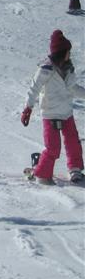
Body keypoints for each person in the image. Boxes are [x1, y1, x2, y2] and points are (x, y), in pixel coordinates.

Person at [21, 30, 85, 185]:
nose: (70, 54)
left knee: (73, 143)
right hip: (50, 114)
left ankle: (75, 169)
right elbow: (34, 89)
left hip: (66, 113)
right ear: (61, 53)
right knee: (53, 148)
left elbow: (73, 88)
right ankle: (42, 173)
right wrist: (28, 108)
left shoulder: (68, 69)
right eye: (68, 51)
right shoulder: (45, 70)